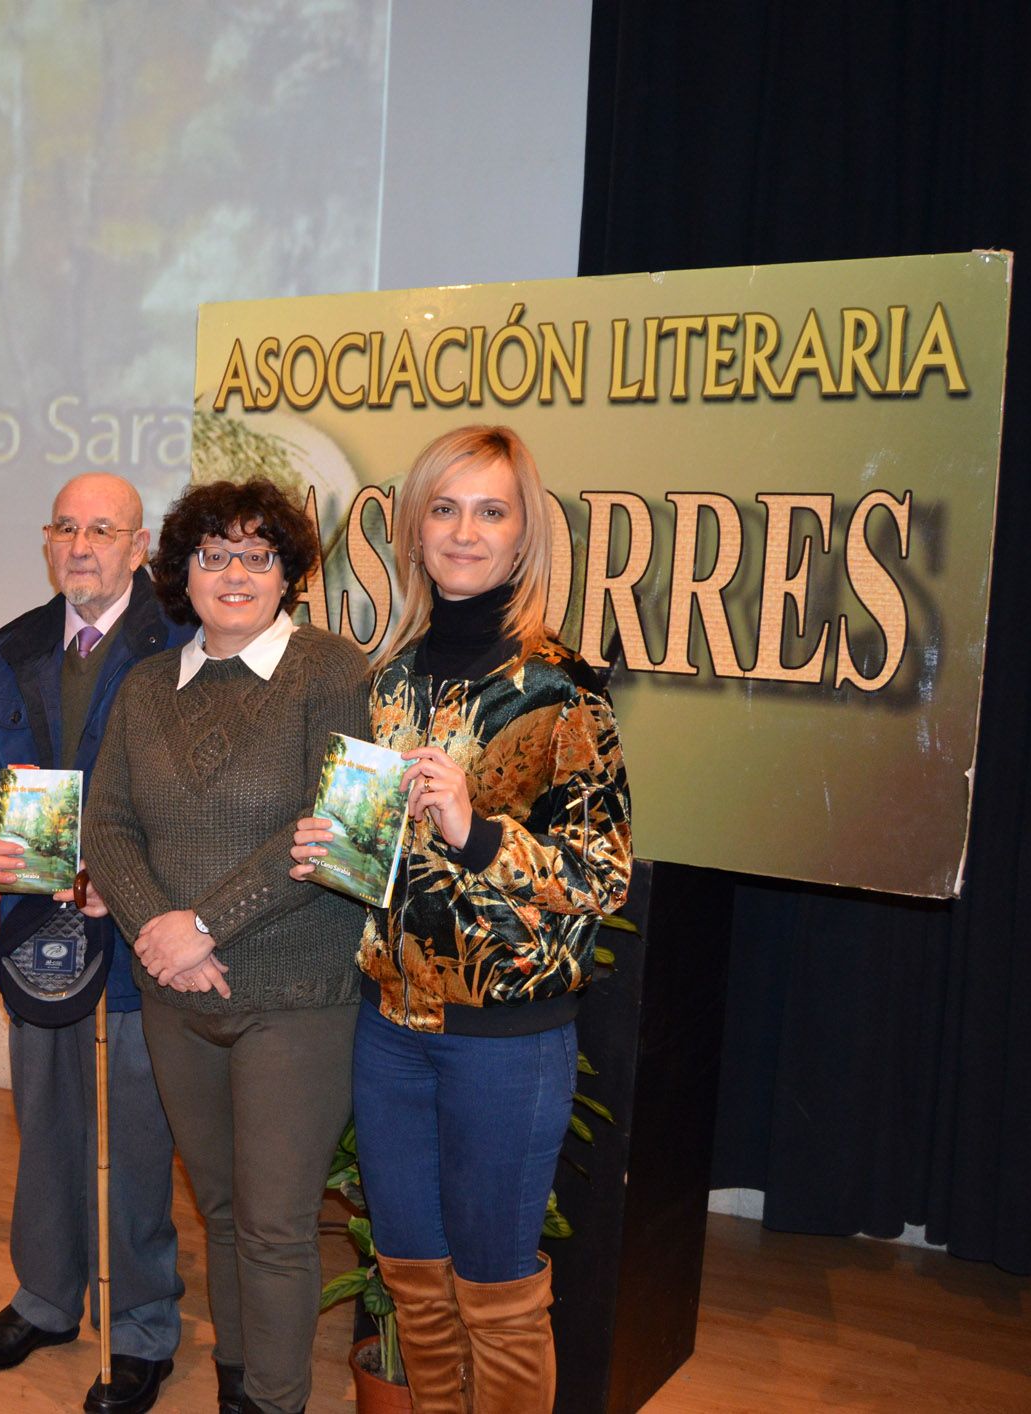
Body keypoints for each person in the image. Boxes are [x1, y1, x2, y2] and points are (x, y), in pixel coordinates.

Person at [290, 425, 631, 1411]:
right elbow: (388, 863)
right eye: (443, 508)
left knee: (496, 1293)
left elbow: (598, 876)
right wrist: (336, 857)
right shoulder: (387, 679)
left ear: (523, 535)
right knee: (411, 1279)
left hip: (504, 1041)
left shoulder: (560, 686)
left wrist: (475, 829)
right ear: (412, 529)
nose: (464, 531)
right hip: (388, 1029)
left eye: (489, 510)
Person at [83, 478, 372, 1414]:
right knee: (217, 1213)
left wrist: (202, 925)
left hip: (296, 997)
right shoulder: (143, 689)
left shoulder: (333, 671)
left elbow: (336, 827)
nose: (235, 573)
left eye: (258, 555)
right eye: (213, 555)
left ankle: (274, 1405)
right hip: (178, 998)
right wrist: (164, 937)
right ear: (182, 574)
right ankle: (239, 1386)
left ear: (289, 573)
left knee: (277, 1228)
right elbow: (108, 828)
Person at [0, 474, 188, 1414]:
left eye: (103, 530)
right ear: (47, 542)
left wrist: (125, 878)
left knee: (133, 1132)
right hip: (34, 929)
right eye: (65, 528)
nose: (80, 545)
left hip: (135, 937)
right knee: (46, 1119)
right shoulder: (10, 647)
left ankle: (139, 1327)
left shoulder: (178, 642)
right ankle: (48, 1298)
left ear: (139, 547)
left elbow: (190, 798)